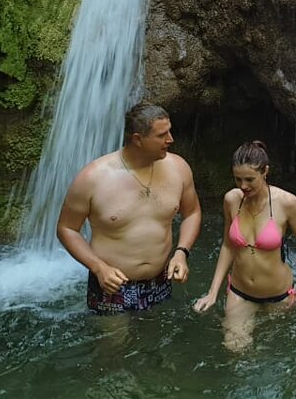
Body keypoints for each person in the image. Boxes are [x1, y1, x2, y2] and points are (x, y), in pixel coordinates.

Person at [193, 140, 296, 348]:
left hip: (279, 296)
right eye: (237, 179)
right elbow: (228, 245)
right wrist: (212, 292)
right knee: (235, 348)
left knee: (275, 350)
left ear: (265, 172)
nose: (243, 186)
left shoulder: (287, 203)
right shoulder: (231, 200)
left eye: (249, 179)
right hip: (239, 291)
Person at [56, 102, 202, 314]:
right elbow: (66, 229)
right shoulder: (93, 178)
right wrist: (98, 268)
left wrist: (181, 252)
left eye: (169, 131)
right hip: (111, 283)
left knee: (155, 341)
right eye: (162, 135)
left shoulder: (178, 168)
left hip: (161, 279)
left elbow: (192, 213)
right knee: (116, 346)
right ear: (138, 139)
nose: (171, 139)